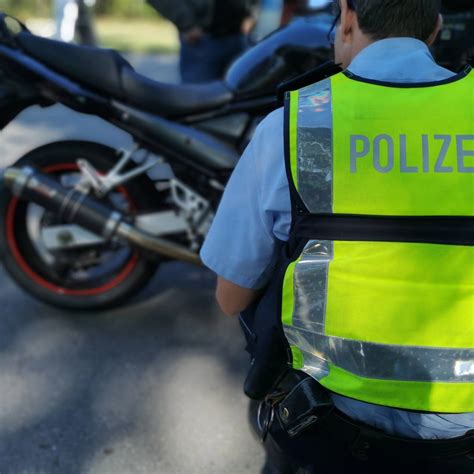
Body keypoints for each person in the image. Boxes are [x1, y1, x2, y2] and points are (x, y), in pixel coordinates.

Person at [200, 0, 474, 472]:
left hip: (331, 423)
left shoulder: (295, 124)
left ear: (347, 18)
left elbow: (230, 296)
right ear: (435, 27)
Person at [147, 0, 259, 83]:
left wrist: (251, 14)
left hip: (239, 39)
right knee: (198, 108)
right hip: (201, 42)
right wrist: (187, 23)